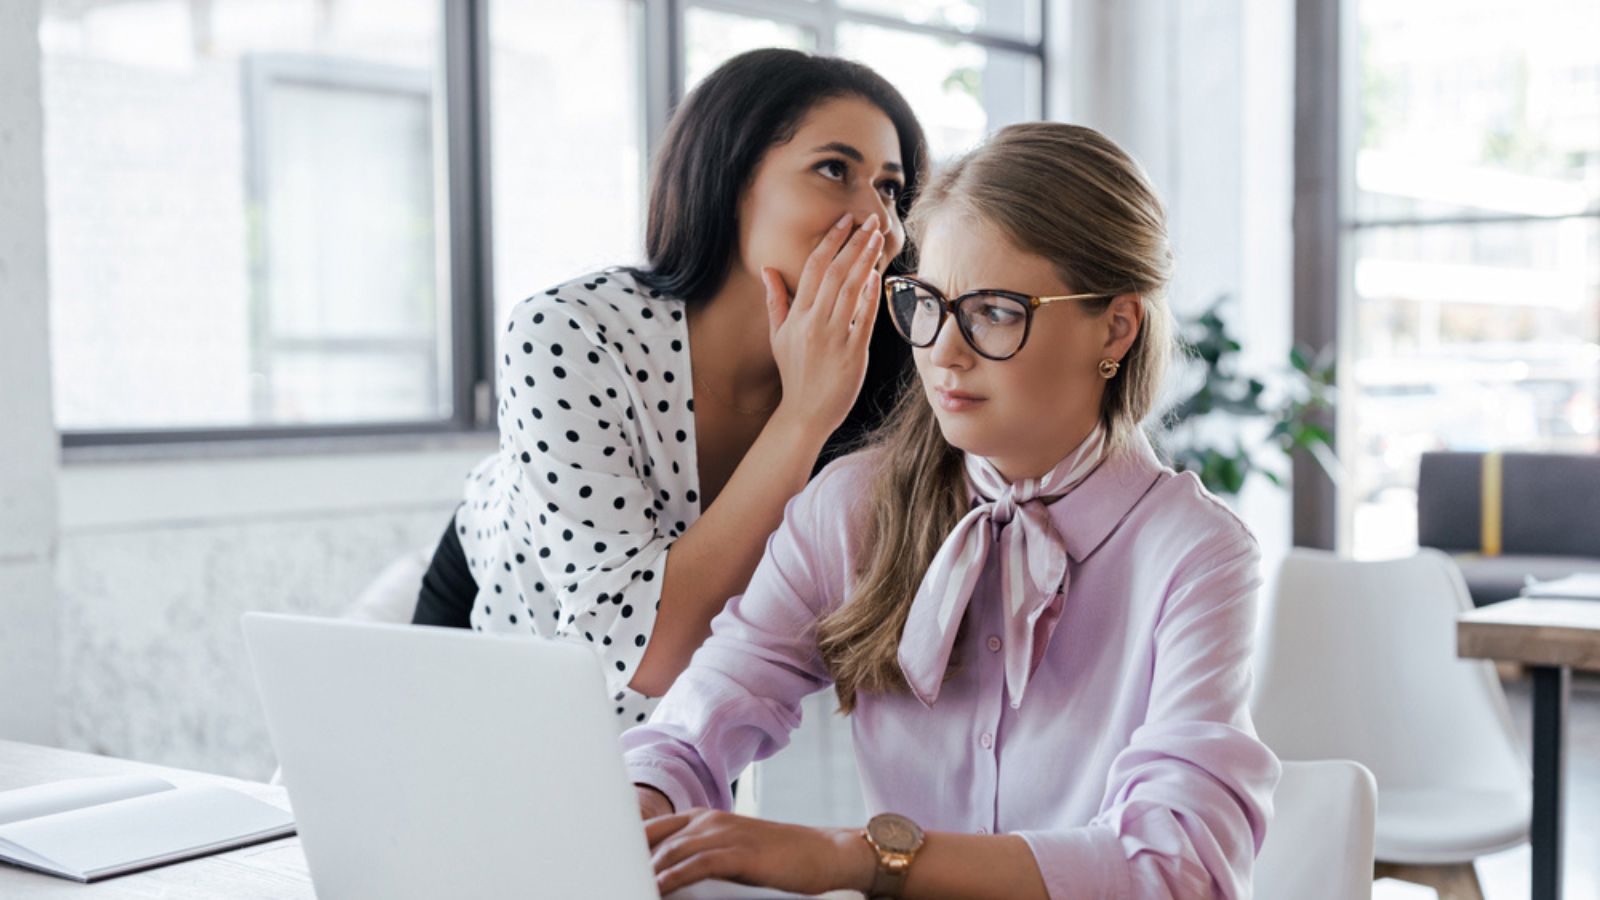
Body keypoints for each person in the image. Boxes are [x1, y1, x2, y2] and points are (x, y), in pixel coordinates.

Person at [623, 122, 1281, 900]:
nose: (944, 351)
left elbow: (1180, 869)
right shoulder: (850, 507)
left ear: (1116, 326)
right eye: (928, 303)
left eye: (995, 311)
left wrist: (859, 857)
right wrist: (636, 810)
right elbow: (696, 723)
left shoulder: (1195, 554)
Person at [411, 48, 929, 728]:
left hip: (680, 709)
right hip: (505, 622)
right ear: (733, 180)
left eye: (890, 188)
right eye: (835, 170)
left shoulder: (889, 364)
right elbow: (639, 650)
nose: (878, 221)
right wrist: (805, 416)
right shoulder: (569, 332)